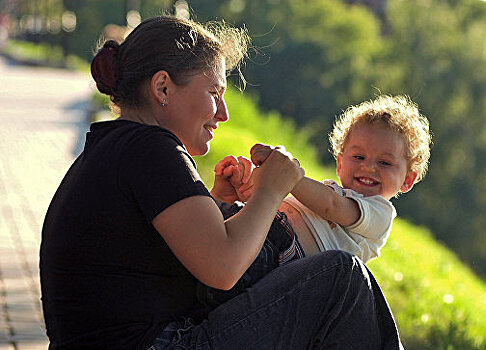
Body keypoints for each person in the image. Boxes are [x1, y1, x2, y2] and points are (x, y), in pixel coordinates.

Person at [39, 15, 404, 350]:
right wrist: (271, 190)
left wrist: (215, 205)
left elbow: (172, 257)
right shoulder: (152, 149)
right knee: (340, 276)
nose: (224, 114)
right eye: (214, 94)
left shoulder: (118, 147)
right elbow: (223, 269)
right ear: (163, 88)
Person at [201, 95, 431, 307]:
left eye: (385, 163)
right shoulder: (327, 189)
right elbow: (277, 202)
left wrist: (288, 175)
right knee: (219, 220)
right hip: (268, 234)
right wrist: (248, 187)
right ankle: (219, 202)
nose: (368, 167)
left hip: (287, 260)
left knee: (221, 262)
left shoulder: (379, 212)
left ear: (407, 180)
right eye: (358, 157)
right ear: (340, 163)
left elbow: (332, 207)